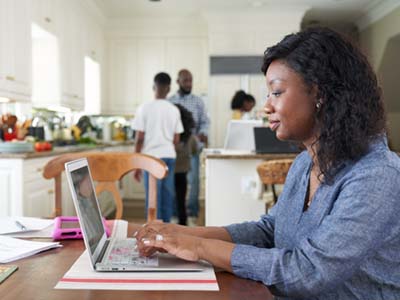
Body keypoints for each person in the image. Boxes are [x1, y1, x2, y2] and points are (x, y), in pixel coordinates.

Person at [134, 27, 400, 299]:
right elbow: (269, 231)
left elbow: (307, 273)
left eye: (276, 92)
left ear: (320, 95)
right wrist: (185, 234)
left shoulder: (377, 176)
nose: (266, 107)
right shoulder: (305, 163)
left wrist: (199, 248)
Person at [132, 72, 183, 222]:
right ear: (169, 89)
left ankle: (153, 230)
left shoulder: (144, 108)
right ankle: (166, 230)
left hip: (151, 158)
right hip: (168, 156)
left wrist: (136, 164)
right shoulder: (174, 110)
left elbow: (140, 138)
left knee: (153, 196)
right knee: (167, 194)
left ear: (154, 86)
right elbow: (176, 139)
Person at [169, 69, 210, 225]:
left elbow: (205, 122)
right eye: (185, 80)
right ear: (178, 81)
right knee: (175, 183)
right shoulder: (170, 102)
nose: (189, 84)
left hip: (193, 147)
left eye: (190, 80)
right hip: (175, 150)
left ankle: (192, 213)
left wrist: (202, 133)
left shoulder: (198, 101)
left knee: (193, 182)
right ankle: (175, 214)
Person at [173, 104, 197, 225]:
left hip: (168, 171)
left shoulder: (169, 136)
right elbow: (194, 151)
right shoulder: (190, 137)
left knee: (168, 199)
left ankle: (168, 221)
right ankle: (183, 223)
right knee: (181, 199)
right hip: (183, 171)